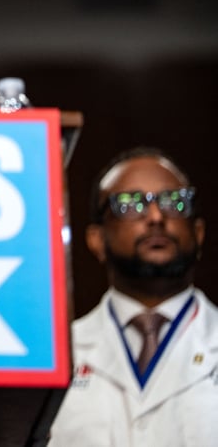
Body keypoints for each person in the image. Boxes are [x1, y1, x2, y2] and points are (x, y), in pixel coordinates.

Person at [49, 147, 218, 446]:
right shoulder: (57, 354)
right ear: (96, 239)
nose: (155, 216)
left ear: (200, 233)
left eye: (174, 202)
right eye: (130, 204)